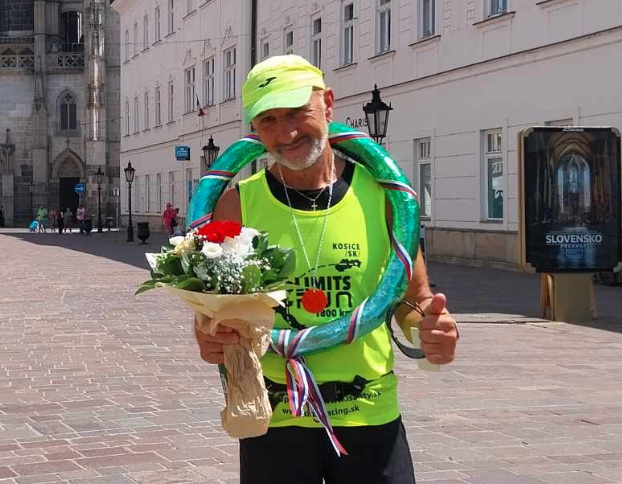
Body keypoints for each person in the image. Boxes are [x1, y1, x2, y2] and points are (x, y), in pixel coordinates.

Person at [193, 55, 459, 483]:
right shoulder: (238, 204)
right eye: (269, 120)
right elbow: (213, 313)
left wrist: (431, 330)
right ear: (254, 131)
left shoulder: (383, 198)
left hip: (368, 415)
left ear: (329, 105)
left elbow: (412, 298)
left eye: (298, 113)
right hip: (276, 419)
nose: (286, 133)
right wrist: (209, 336)